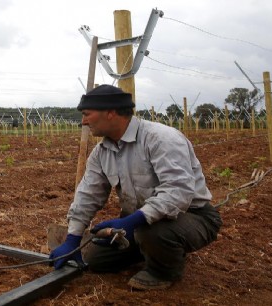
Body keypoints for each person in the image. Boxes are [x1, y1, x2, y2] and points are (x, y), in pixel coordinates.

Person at [49, 85, 222, 290]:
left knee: (153, 233)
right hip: (139, 223)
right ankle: (150, 248)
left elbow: (178, 192)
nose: (83, 121)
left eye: (87, 114)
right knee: (96, 260)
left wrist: (132, 221)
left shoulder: (160, 138)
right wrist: (73, 239)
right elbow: (88, 193)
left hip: (192, 216)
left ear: (111, 113)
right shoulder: (101, 151)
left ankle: (163, 272)